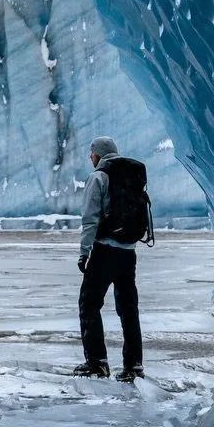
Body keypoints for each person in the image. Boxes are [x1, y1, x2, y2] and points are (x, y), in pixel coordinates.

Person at [69, 135, 152, 381]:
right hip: (129, 251)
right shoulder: (132, 173)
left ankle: (97, 362)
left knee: (89, 304)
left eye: (91, 152)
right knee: (128, 308)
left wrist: (84, 253)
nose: (89, 157)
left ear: (99, 154)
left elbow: (90, 219)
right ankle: (134, 365)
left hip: (106, 250)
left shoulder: (99, 176)